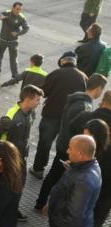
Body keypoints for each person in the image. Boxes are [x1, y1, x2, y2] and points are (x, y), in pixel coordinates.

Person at [32, 74, 108, 213]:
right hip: (69, 147)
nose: (100, 94)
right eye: (101, 90)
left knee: (53, 176)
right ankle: (44, 204)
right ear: (97, 89)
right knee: (60, 179)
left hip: (64, 143)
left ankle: (41, 202)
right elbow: (76, 129)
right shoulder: (84, 106)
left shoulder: (75, 98)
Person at [30, 51, 88, 179]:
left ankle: (38, 169)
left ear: (63, 61)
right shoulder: (83, 77)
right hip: (71, 119)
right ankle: (57, 173)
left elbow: (43, 92)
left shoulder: (56, 73)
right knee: (64, 147)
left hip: (52, 115)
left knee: (45, 143)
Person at [0, 85, 44, 221]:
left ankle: (13, 209)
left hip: (22, 157)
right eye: (37, 100)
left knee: (19, 184)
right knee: (8, 186)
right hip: (9, 160)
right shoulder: (10, 118)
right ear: (27, 99)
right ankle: (1, 211)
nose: (39, 103)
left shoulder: (31, 113)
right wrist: (1, 157)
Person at [84, 119, 111, 227]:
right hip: (102, 190)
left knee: (94, 217)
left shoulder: (103, 145)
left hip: (101, 189)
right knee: (96, 218)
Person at [0, 2, 30, 79]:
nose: (18, 11)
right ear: (12, 7)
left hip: (13, 42)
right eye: (17, 9)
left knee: (13, 60)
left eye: (20, 9)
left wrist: (17, 33)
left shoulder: (21, 17)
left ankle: (15, 76)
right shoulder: (6, 13)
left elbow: (26, 28)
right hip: (2, 40)